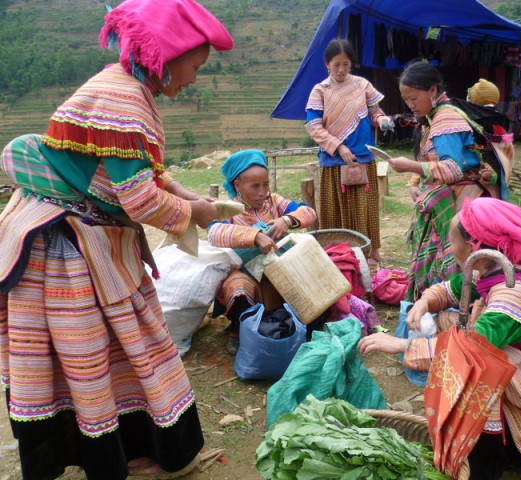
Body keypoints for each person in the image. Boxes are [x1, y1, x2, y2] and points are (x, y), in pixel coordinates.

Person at [0, 1, 234, 478]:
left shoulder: (123, 88)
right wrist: (200, 212)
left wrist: (186, 195)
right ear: (167, 55)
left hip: (81, 236)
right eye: (194, 66)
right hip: (62, 246)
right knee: (92, 349)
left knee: (112, 349)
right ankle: (112, 455)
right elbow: (140, 201)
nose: (193, 78)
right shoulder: (124, 101)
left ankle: (127, 450)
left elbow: (145, 174)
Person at [358, 197, 521, 480]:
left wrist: (401, 345)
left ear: (474, 247)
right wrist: (424, 302)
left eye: (452, 243)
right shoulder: (501, 268)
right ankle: (502, 440)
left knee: (481, 372)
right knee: (456, 328)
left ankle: (510, 447)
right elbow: (452, 291)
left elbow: (467, 352)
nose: (450, 249)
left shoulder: (509, 301)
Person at [386, 63, 506, 302]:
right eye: (405, 99)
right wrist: (415, 179)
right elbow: (430, 157)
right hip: (460, 198)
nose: (410, 104)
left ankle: (455, 308)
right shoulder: (438, 116)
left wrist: (408, 167)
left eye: (413, 97)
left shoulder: (445, 118)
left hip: (462, 201)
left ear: (432, 90)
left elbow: (452, 169)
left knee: (460, 257)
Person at [208, 149, 317, 355]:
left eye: (266, 184)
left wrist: (287, 219)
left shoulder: (274, 202)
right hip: (246, 272)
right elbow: (214, 232)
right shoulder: (227, 209)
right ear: (237, 186)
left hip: (278, 267)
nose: (262, 192)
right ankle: (240, 329)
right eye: (255, 186)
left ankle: (298, 321)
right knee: (237, 286)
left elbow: (309, 212)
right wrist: (254, 236)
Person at [305, 38, 391, 267]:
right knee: (336, 212)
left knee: (365, 209)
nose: (341, 70)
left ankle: (371, 254)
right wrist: (338, 146)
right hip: (333, 161)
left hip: (362, 158)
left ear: (351, 63)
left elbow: (374, 110)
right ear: (327, 64)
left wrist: (381, 119)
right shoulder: (320, 91)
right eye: (336, 65)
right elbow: (313, 126)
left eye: (345, 64)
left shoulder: (362, 85)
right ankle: (338, 256)